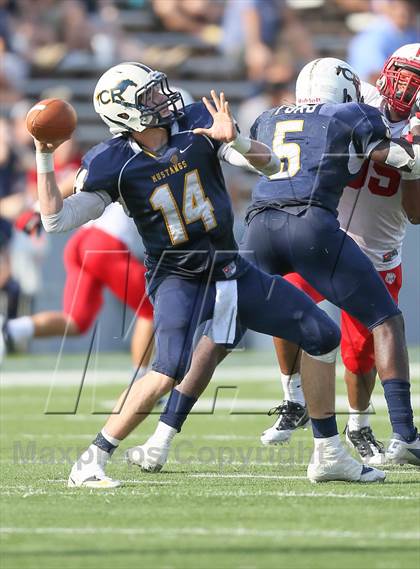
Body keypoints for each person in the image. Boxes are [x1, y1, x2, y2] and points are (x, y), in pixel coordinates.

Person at [35, 62, 365, 488]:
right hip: (178, 278)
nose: (163, 98)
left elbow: (273, 165)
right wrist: (44, 154)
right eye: (149, 96)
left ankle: (329, 454)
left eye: (158, 90)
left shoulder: (196, 124)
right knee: (166, 369)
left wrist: (239, 141)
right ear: (125, 113)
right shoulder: (111, 163)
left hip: (231, 268)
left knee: (321, 333)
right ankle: (91, 459)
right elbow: (55, 221)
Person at [132, 57, 420, 478]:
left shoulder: (269, 115)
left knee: (219, 333)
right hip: (311, 227)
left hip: (260, 223)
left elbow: (255, 159)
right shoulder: (351, 112)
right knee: (385, 321)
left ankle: (159, 441)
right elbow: (401, 160)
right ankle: (404, 434)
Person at [262, 44, 420, 467]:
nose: (406, 87)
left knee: (361, 350)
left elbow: (416, 212)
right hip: (327, 237)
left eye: (416, 80)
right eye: (402, 74)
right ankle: (292, 397)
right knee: (286, 303)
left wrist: (415, 162)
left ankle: (359, 423)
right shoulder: (357, 98)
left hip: (379, 248)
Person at [2, 201, 155, 374]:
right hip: (105, 244)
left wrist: (37, 209)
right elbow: (74, 178)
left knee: (75, 322)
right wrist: (37, 209)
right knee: (152, 305)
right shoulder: (133, 172)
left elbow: (79, 177)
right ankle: (140, 380)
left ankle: (9, 329)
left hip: (81, 241)